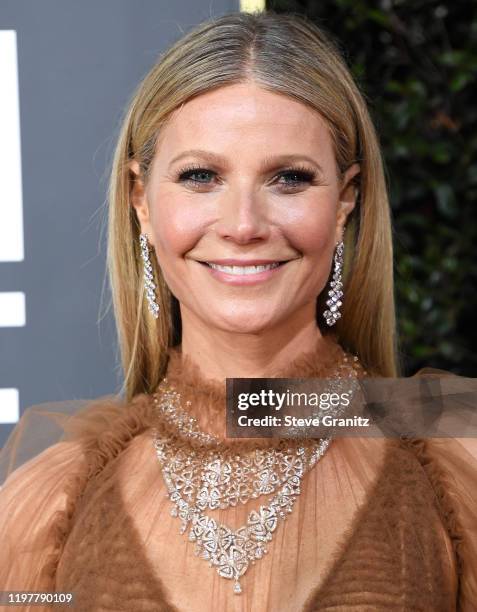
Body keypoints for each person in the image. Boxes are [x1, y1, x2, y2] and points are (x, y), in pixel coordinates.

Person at [0, 11, 476, 612]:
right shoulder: (52, 502)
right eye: (201, 176)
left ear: (346, 200)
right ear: (141, 200)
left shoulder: (457, 448)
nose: (245, 225)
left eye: (289, 179)